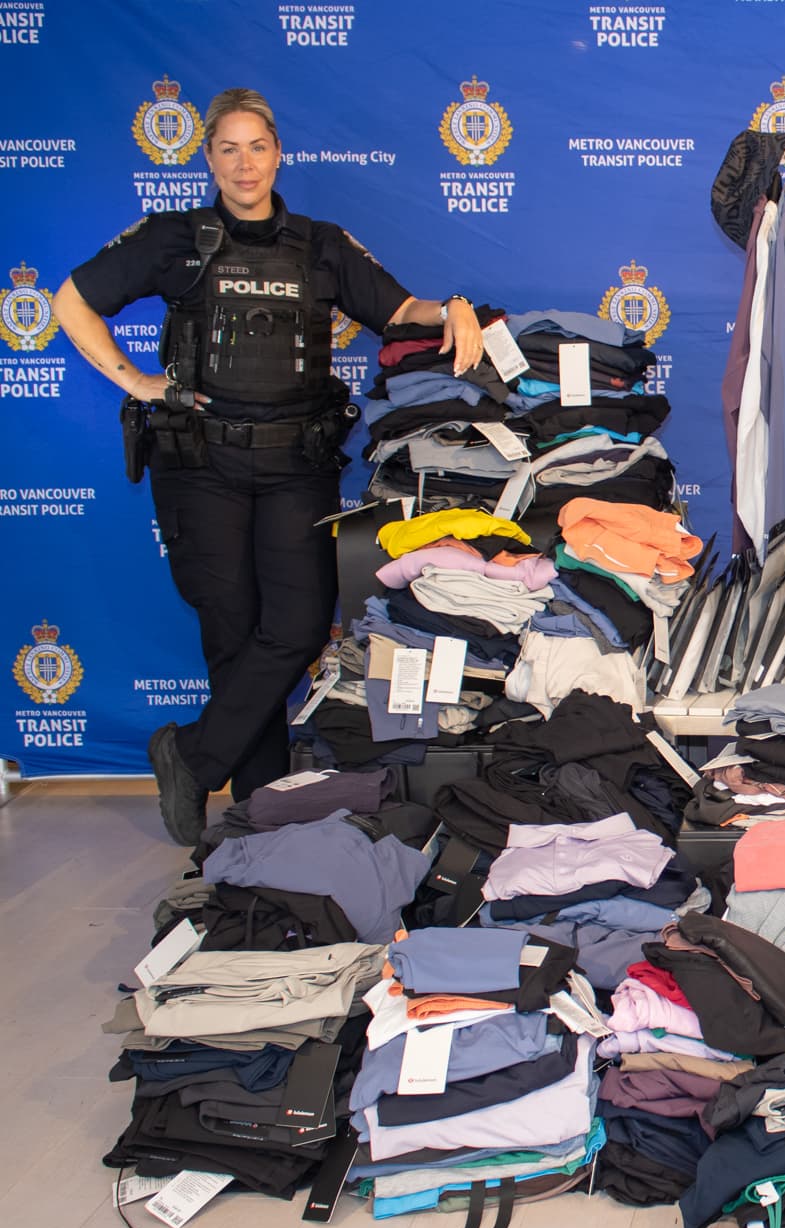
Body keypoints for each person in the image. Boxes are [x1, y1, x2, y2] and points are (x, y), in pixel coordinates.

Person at [52, 87, 485, 845]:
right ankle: (258, 814)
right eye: (229, 148)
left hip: (296, 464)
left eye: (257, 147)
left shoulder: (319, 244)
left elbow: (396, 308)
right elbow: (70, 301)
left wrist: (451, 306)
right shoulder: (173, 238)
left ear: (278, 154)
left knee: (292, 626)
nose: (244, 163)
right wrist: (134, 379)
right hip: (200, 465)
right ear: (209, 157)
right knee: (232, 633)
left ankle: (188, 753)